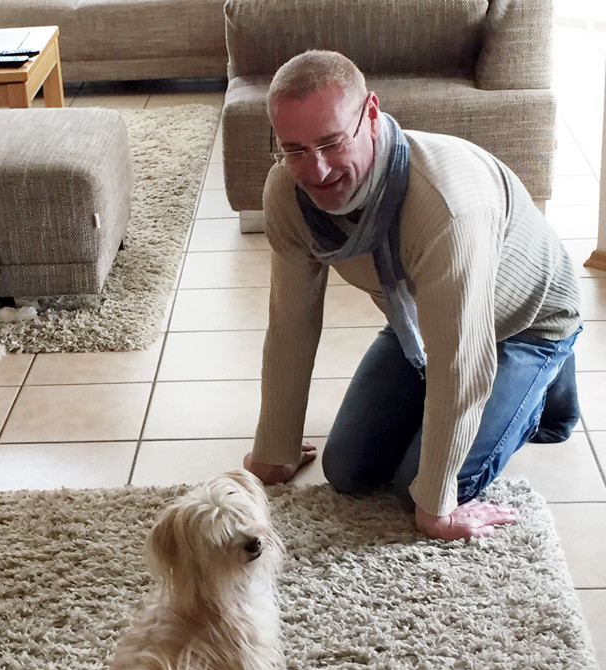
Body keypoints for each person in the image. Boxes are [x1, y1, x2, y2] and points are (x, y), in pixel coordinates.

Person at [243, 50, 582, 542]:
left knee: (417, 491)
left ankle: (548, 390)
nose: (315, 171)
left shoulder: (446, 204)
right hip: (423, 319)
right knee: (347, 471)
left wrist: (438, 509)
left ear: (372, 116)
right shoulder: (287, 194)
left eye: (332, 143)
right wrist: (275, 449)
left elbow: (463, 359)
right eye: (294, 150)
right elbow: (291, 327)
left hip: (525, 323)